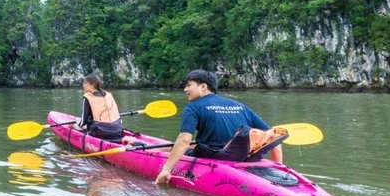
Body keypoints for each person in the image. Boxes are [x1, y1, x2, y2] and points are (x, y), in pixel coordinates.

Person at [155, 69, 285, 185]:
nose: (185, 89)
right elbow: (272, 135)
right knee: (192, 145)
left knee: (173, 148)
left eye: (189, 85)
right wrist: (278, 167)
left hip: (215, 157)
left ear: (203, 87)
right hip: (243, 157)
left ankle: (140, 146)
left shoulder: (193, 107)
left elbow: (184, 139)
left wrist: (166, 170)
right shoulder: (239, 105)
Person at [74, 74, 124, 141]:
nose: (83, 85)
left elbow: (83, 122)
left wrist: (76, 124)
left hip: (100, 132)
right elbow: (119, 119)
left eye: (85, 83)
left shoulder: (87, 97)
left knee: (74, 125)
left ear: (92, 85)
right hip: (118, 130)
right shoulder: (109, 95)